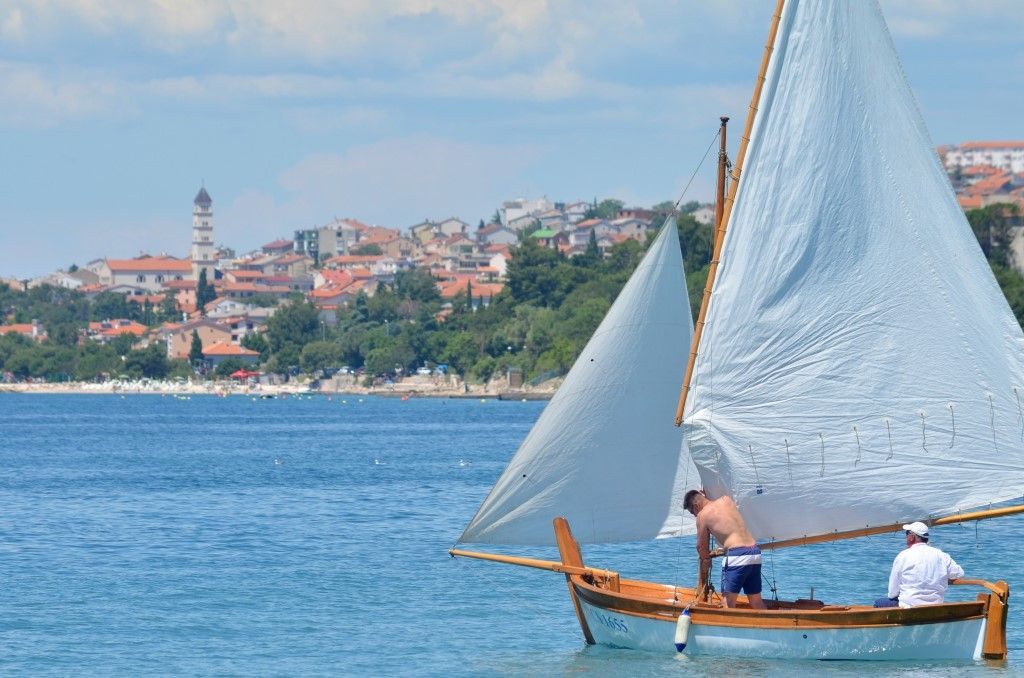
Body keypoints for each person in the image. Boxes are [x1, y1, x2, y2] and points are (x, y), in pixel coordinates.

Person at [683, 489, 767, 609]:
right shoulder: (726, 499)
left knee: (727, 603)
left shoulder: (702, 516)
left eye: (693, 512)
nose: (695, 515)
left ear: (696, 506)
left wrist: (706, 560)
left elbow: (701, 546)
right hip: (754, 552)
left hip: (737, 556)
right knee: (756, 602)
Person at [874, 521, 964, 608]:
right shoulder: (941, 555)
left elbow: (892, 592)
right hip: (935, 605)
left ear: (911, 537)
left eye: (906, 534)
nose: (905, 537)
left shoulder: (903, 556)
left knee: (878, 603)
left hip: (909, 606)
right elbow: (959, 574)